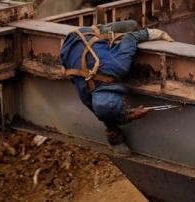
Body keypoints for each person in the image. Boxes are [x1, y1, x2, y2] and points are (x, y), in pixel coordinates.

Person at [59, 20, 173, 154]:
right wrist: (128, 118)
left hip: (86, 34)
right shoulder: (87, 97)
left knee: (132, 25)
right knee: (105, 108)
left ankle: (104, 29)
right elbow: (102, 113)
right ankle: (115, 139)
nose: (126, 102)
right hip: (68, 47)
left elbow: (131, 37)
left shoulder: (119, 66)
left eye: (124, 104)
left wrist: (157, 33)